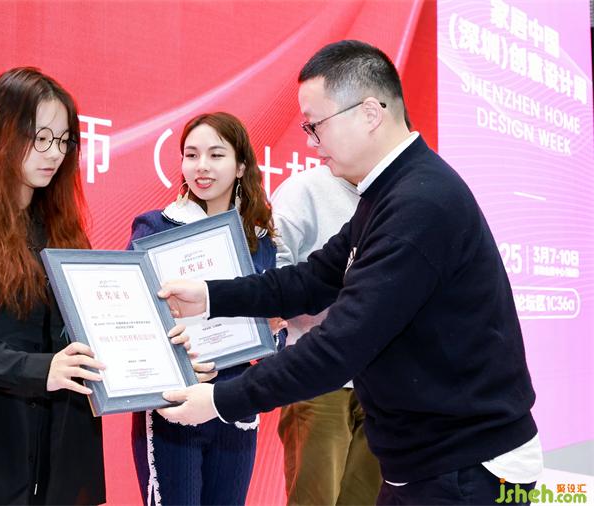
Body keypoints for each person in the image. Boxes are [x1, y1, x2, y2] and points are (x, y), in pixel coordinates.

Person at [155, 40, 542, 506]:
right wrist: (209, 295)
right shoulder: (387, 194)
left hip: (467, 465)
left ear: (370, 113)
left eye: (315, 125)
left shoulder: (420, 203)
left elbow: (341, 344)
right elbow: (310, 280)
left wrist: (220, 401)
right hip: (429, 459)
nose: (311, 143)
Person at [0, 67, 190, 505]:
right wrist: (40, 369)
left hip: (58, 457)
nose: (54, 153)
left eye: (63, 141)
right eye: (40, 138)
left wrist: (165, 349)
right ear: (2, 132)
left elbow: (93, 328)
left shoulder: (62, 227)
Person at [128, 112, 279, 506]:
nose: (202, 166)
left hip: (235, 402)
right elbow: (135, 317)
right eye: (191, 155)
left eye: (216, 154)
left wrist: (273, 329)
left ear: (241, 165)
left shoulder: (260, 240)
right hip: (174, 403)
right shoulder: (156, 229)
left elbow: (273, 331)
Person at [272, 166, 382, 505]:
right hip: (317, 375)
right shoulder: (302, 190)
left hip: (382, 381)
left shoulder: (393, 194)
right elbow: (273, 276)